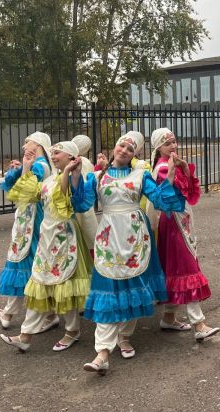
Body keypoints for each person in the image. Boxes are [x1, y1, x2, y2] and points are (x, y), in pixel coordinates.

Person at [71, 131, 182, 375]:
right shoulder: (98, 176)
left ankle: (124, 336)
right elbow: (81, 205)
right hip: (109, 239)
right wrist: (77, 176)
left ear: (136, 155)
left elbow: (160, 200)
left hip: (135, 239)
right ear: (114, 147)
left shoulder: (141, 175)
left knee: (133, 288)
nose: (124, 151)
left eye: (130, 149)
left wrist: (171, 174)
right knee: (107, 291)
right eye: (122, 145)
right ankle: (102, 353)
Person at [0, 141, 93, 352]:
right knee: (39, 283)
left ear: (71, 157)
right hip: (47, 237)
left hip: (65, 237)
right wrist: (25, 166)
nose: (53, 154)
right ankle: (25, 335)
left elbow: (71, 201)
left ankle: (72, 331)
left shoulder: (75, 178)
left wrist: (71, 172)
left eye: (57, 152)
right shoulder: (49, 180)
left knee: (63, 285)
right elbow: (26, 194)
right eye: (52, 152)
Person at [150, 127, 220, 340]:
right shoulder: (163, 167)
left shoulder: (172, 164)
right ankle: (198, 324)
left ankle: (169, 318)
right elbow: (174, 194)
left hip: (181, 218)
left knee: (174, 267)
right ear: (158, 147)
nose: (173, 146)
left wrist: (184, 170)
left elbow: (190, 191)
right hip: (174, 222)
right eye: (167, 143)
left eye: (174, 141)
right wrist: (175, 171)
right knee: (186, 266)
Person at [0, 132, 58, 333]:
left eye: (27, 142)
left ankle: (10, 313)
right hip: (33, 217)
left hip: (32, 219)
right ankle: (48, 313)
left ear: (38, 143)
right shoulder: (41, 165)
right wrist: (22, 167)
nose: (24, 146)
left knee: (23, 261)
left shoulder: (40, 165)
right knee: (32, 263)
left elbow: (26, 190)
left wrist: (25, 169)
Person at [71, 134, 98, 253]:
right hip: (86, 202)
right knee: (88, 229)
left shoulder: (67, 160)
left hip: (73, 200)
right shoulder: (86, 161)